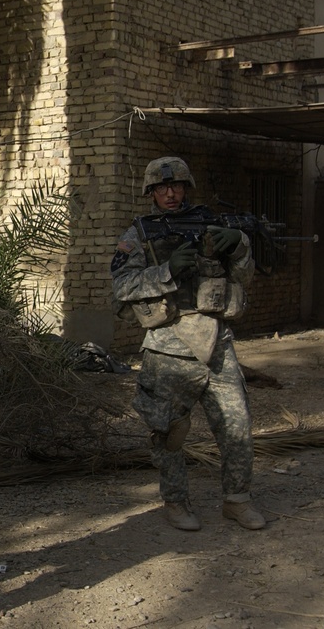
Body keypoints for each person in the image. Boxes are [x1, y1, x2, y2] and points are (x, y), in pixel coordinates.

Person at [110, 156, 266, 532]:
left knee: (236, 426)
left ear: (186, 188)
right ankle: (176, 502)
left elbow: (245, 277)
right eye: (162, 187)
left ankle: (238, 500)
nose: (170, 193)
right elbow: (121, 287)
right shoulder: (138, 234)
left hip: (216, 340)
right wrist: (167, 270)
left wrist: (239, 245)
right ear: (151, 192)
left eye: (177, 186)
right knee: (169, 433)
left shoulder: (212, 224)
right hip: (168, 344)